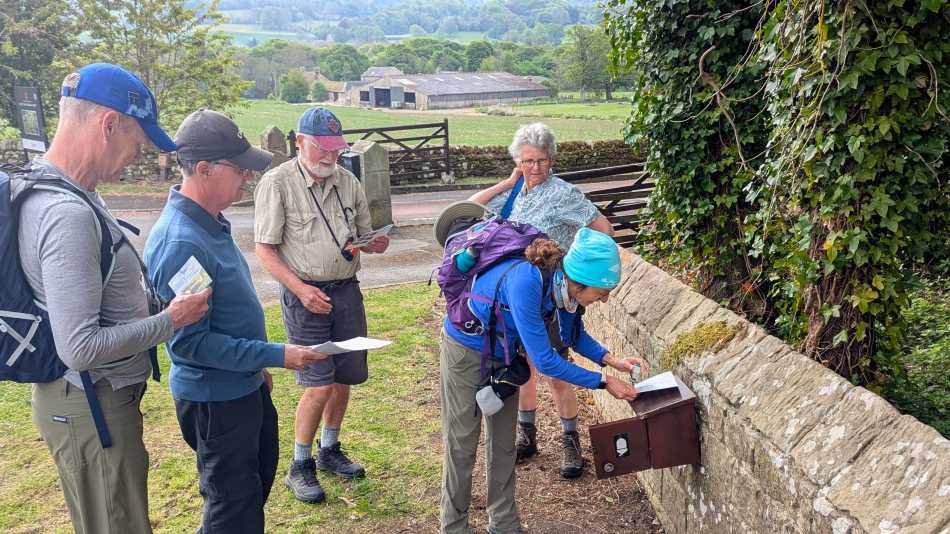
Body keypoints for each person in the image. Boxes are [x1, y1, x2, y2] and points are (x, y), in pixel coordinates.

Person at [16, 63, 210, 534]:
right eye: (138, 141)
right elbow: (79, 348)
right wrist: (171, 319)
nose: (136, 155)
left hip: (92, 402)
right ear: (108, 125)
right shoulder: (67, 213)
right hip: (92, 406)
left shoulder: (70, 190)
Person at [143, 109, 327, 533]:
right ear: (204, 169)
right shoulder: (182, 242)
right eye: (240, 168)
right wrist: (277, 355)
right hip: (215, 400)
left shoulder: (209, 224)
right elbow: (190, 344)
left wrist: (256, 366)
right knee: (233, 508)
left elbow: (222, 318)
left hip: (240, 385)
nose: (247, 177)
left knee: (251, 488)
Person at [437, 224, 644, 534]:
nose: (604, 300)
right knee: (462, 444)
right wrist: (603, 382)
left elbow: (573, 336)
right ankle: (453, 527)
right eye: (602, 292)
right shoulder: (527, 281)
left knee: (504, 444)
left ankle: (504, 523)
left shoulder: (566, 290)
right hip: (465, 350)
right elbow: (546, 360)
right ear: (581, 283)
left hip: (505, 357)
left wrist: (613, 361)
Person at [254, 107, 390, 504]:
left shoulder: (348, 181)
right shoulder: (277, 183)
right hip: (305, 297)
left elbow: (364, 234)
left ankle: (330, 449)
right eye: (322, 149)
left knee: (345, 376)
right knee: (319, 383)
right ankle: (300, 463)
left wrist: (374, 243)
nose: (330, 157)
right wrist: (300, 289)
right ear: (300, 142)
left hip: (346, 292)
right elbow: (264, 249)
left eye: (336, 149)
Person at [469, 122, 615, 478]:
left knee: (556, 369)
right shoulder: (514, 191)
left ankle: (569, 440)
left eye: (542, 160)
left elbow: (605, 230)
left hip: (553, 294)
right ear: (518, 161)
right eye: (528, 160)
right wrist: (508, 182)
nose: (535, 168)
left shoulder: (564, 193)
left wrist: (572, 264)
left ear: (552, 160)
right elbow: (469, 209)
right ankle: (527, 434)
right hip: (515, 297)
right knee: (523, 369)